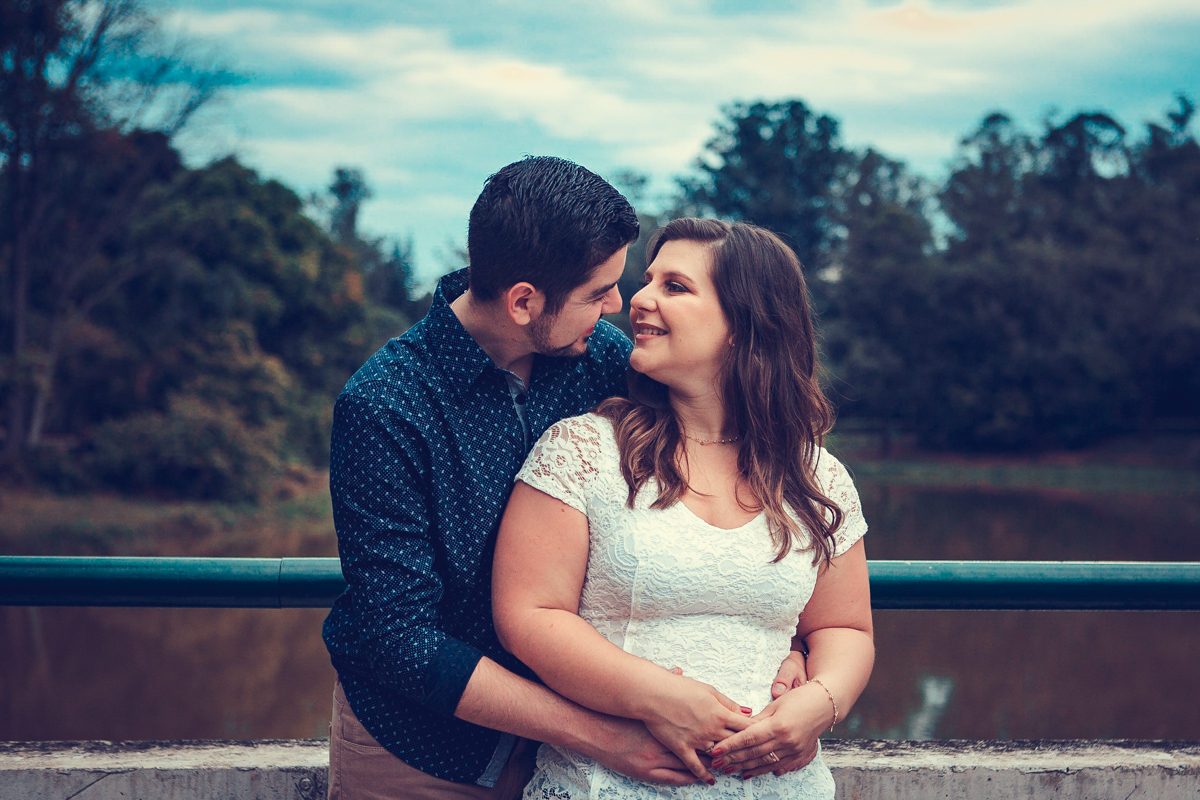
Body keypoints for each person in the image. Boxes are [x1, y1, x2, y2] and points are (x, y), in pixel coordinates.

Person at [323, 161, 810, 800]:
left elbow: (722, 492)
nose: (620, 305)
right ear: (524, 301)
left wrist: (783, 644)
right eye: (597, 292)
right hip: (422, 749)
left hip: (583, 751)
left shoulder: (604, 359)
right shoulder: (387, 405)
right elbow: (398, 640)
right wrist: (601, 736)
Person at [493, 218, 875, 799]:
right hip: (610, 785)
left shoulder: (815, 475)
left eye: (674, 286)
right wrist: (661, 696)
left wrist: (821, 704)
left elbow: (844, 627)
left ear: (744, 327)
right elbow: (530, 616)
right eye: (648, 280)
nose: (638, 300)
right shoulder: (582, 450)